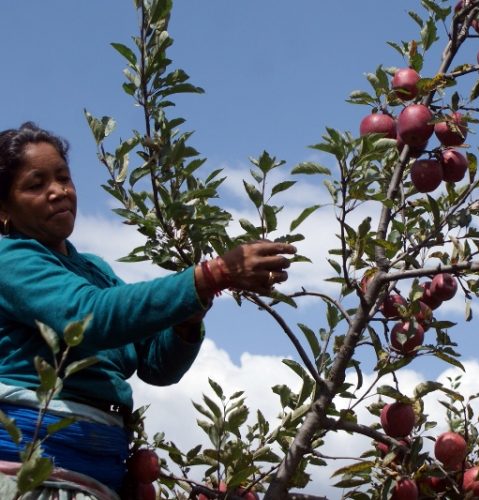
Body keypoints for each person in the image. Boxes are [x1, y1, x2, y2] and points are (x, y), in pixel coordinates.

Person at [0, 122, 297, 499]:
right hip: (28, 480)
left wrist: (189, 316)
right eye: (36, 184)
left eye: (63, 177)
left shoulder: (94, 270)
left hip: (97, 482)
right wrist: (212, 275)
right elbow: (88, 318)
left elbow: (157, 366)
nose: (58, 191)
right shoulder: (9, 259)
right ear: (3, 209)